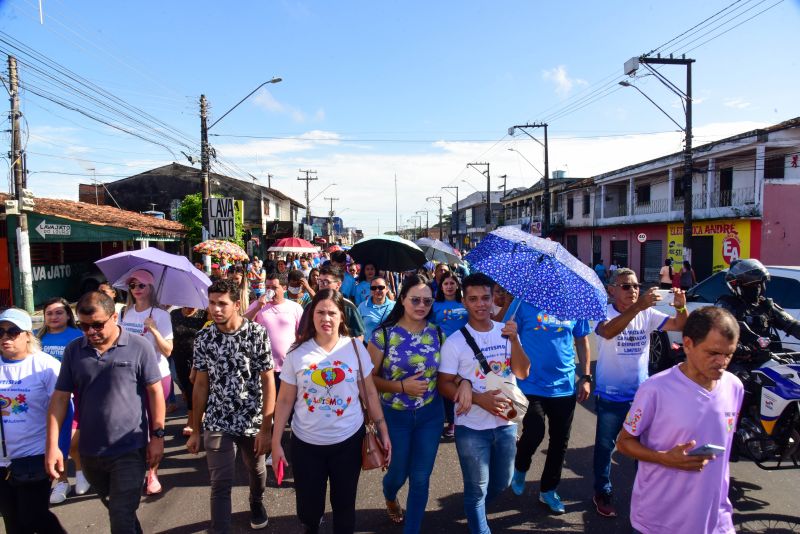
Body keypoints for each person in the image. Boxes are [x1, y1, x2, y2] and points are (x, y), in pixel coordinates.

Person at [272, 289, 391, 534]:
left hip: (348, 442)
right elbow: (284, 400)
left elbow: (369, 394)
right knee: (309, 510)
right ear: (311, 315)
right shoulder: (297, 352)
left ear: (341, 317)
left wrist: (383, 430)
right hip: (306, 444)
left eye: (332, 313)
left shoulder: (356, 350)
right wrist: (275, 443)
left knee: (345, 508)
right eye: (320, 312)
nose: (326, 318)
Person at [617, 307, 744, 534]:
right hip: (659, 522)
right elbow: (624, 442)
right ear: (687, 344)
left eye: (729, 354)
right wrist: (664, 458)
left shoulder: (734, 386)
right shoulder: (655, 389)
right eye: (713, 353)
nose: (721, 362)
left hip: (716, 522)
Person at [46, 291, 165, 534]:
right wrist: (53, 446)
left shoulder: (139, 346)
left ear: (114, 318)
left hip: (130, 450)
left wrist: (158, 437)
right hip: (90, 453)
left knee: (120, 518)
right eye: (84, 326)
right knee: (120, 511)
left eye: (97, 325)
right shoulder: (74, 350)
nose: (90, 332)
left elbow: (155, 393)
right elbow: (59, 399)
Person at [591, 268, 688, 517]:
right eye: (626, 286)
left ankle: (644, 494)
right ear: (611, 290)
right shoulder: (603, 312)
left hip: (641, 397)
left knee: (643, 449)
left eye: (636, 286)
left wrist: (680, 307)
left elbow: (680, 325)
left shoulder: (647, 314)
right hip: (610, 395)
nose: (633, 290)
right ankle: (602, 492)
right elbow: (609, 331)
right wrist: (638, 308)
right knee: (605, 447)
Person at [438, 273, 530, 534]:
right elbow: (444, 383)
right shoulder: (455, 342)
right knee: (476, 488)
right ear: (464, 302)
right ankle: (478, 521)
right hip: (471, 427)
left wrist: (515, 340)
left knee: (503, 481)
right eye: (473, 299)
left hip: (506, 424)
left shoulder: (506, 332)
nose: (480, 304)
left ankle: (472, 508)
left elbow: (522, 373)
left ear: (493, 300)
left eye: (485, 298)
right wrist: (478, 398)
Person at [367, 274, 455, 532]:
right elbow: (369, 380)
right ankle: (390, 494)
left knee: (420, 477)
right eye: (415, 299)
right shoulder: (383, 335)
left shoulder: (438, 334)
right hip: (394, 416)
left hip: (430, 415)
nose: (421, 306)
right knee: (397, 474)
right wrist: (401, 386)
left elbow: (449, 375)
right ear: (402, 299)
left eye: (427, 301)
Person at [187, 279, 275, 532]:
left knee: (256, 470)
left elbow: (269, 382)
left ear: (237, 304)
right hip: (217, 420)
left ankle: (256, 501)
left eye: (222, 304)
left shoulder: (256, 333)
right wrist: (195, 428)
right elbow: (201, 385)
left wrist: (266, 428)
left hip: (252, 419)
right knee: (220, 483)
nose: (215, 309)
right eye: (212, 303)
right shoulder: (204, 337)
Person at [507, 297, 591, 514]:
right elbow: (505, 335)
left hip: (564, 385)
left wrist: (586, 376)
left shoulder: (574, 302)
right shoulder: (521, 302)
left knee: (559, 442)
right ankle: (521, 464)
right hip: (530, 383)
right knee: (534, 432)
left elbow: (582, 340)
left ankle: (548, 490)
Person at [0, 308, 66, 534]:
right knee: (13, 522)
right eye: (0, 332)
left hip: (35, 454)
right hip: (1, 461)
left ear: (28, 334)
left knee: (33, 517)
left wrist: (57, 448)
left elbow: (64, 408)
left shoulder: (46, 366)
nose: (5, 337)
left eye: (13, 331)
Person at [118, 269, 173, 495]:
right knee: (134, 423)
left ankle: (153, 472)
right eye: (132, 285)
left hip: (157, 376)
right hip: (129, 376)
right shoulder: (125, 313)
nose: (137, 289)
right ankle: (136, 468)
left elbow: (168, 350)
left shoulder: (161, 315)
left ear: (150, 288)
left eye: (141, 285)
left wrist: (153, 329)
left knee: (154, 426)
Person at [36, 297, 86, 503]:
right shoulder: (36, 339)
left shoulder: (78, 336)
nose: (54, 316)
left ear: (68, 315)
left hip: (74, 396)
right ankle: (63, 481)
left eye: (59, 312)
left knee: (72, 441)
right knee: (55, 442)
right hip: (43, 400)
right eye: (49, 313)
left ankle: (82, 472)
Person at [716, 258, 800, 358]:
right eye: (752, 285)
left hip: (768, 359)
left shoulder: (766, 305)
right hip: (739, 361)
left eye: (760, 284)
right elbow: (719, 338)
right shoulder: (727, 305)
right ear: (736, 285)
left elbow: (792, 325)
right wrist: (744, 350)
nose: (758, 288)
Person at [244, 273, 303, 393]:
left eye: (274, 288)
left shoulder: (295, 307)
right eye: (268, 287)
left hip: (287, 367)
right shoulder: (257, 304)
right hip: (261, 366)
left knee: (284, 403)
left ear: (284, 288)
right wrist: (257, 308)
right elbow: (241, 324)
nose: (270, 291)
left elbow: (302, 334)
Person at [431, 271, 469, 438]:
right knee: (445, 386)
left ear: (457, 285)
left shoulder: (464, 303)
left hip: (465, 350)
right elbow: (429, 327)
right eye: (445, 284)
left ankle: (459, 419)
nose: (449, 286)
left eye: (452, 283)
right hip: (442, 351)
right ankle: (449, 421)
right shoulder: (435, 305)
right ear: (441, 286)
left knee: (463, 383)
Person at [299, 265, 366, 341]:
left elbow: (359, 335)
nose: (321, 285)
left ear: (338, 284)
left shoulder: (348, 307)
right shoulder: (310, 306)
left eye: (326, 281)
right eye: (320, 281)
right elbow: (302, 333)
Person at [170, 306, 208, 437]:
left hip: (196, 359)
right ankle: (198, 412)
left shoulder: (204, 314)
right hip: (178, 357)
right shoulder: (174, 314)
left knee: (192, 389)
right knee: (184, 386)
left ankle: (192, 422)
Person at [358, 276, 395, 343]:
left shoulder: (395, 306)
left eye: (381, 287)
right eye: (373, 288)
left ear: (387, 289)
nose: (377, 290)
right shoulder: (362, 306)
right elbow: (357, 329)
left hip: (390, 348)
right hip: (368, 348)